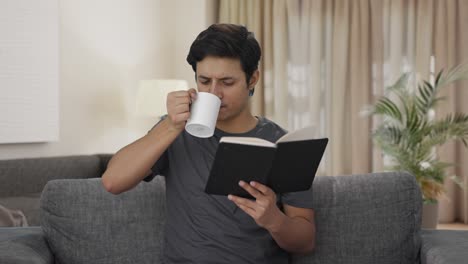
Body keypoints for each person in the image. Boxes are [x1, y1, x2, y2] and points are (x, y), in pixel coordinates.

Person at [102, 23, 315, 263]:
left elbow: (305, 242)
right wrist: (170, 126)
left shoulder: (283, 144)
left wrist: (274, 220)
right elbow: (112, 182)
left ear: (252, 78)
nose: (214, 93)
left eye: (227, 82)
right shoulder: (174, 129)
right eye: (204, 81)